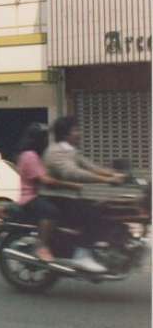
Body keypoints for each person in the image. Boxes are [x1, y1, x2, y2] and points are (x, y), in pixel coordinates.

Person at [44, 116, 125, 273]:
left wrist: (115, 174)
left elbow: (90, 167)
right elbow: (73, 173)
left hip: (70, 198)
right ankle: (82, 255)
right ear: (66, 133)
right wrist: (106, 180)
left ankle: (102, 247)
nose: (79, 133)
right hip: (57, 199)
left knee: (106, 207)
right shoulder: (55, 152)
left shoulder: (71, 151)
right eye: (76, 130)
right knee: (94, 214)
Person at [15, 123, 80, 263]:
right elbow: (45, 180)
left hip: (40, 194)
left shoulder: (37, 155)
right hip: (29, 197)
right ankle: (41, 246)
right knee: (51, 212)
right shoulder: (29, 156)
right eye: (43, 137)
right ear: (36, 138)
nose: (46, 140)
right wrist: (69, 185)